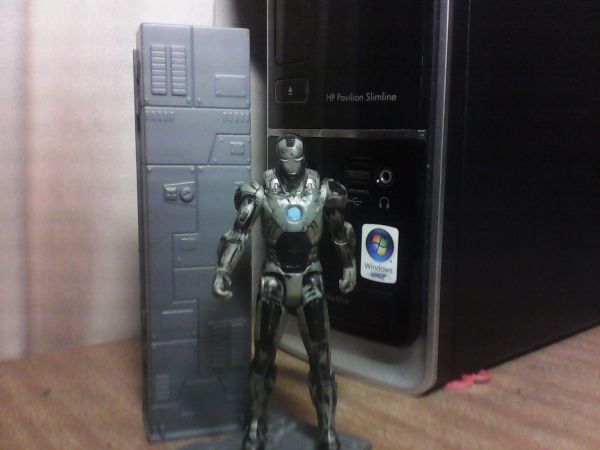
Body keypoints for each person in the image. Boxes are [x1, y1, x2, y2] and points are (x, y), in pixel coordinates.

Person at [213, 134, 356, 450]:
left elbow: (340, 230)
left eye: (296, 159)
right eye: (285, 159)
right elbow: (237, 233)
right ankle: (256, 423)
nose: (291, 165)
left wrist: (349, 265)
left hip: (310, 277)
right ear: (278, 160)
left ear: (303, 159)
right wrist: (223, 270)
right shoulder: (260, 191)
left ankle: (327, 428)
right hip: (274, 277)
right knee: (263, 356)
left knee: (321, 359)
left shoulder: (323, 190)